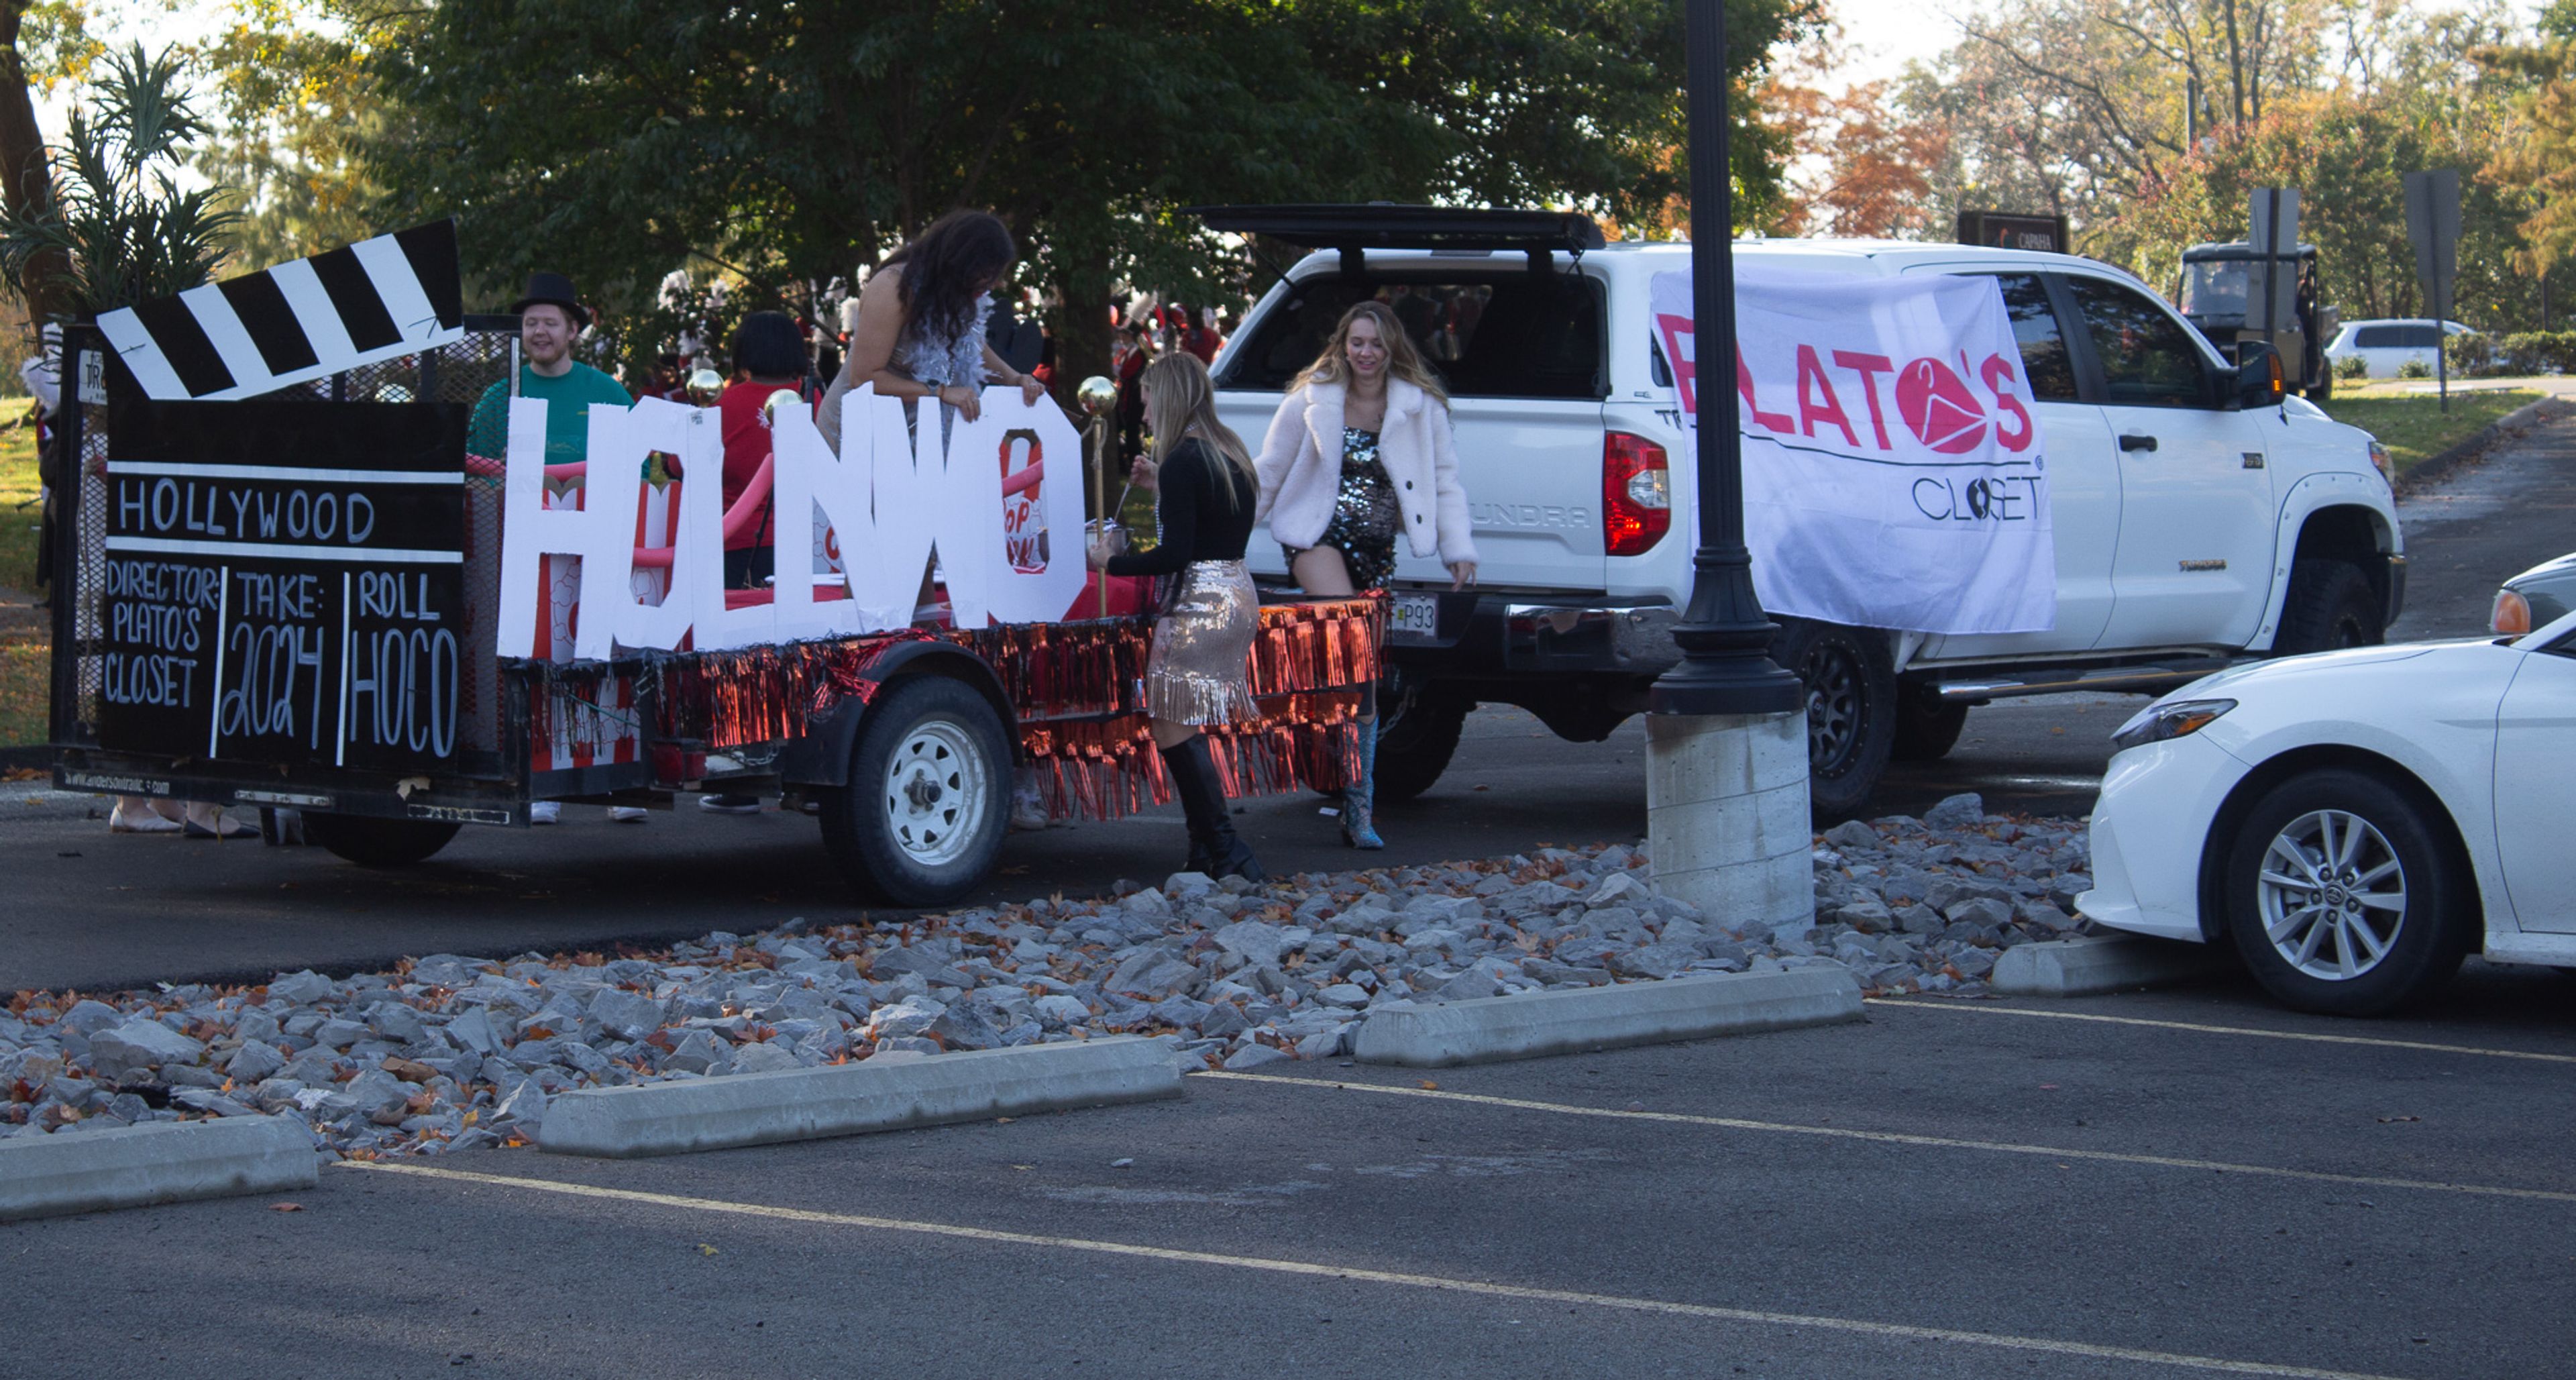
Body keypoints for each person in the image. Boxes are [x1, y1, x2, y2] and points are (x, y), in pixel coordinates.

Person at [819, 209, 1056, 829]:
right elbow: (868, 374)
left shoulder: (954, 297)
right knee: (879, 558)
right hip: (866, 427)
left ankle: (914, 660)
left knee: (921, 550)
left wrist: (1012, 377)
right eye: (984, 274)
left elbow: (966, 343)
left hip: (924, 426)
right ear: (957, 262)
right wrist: (941, 394)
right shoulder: (892, 286)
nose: (991, 287)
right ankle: (862, 673)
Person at [1252, 299, 1478, 850]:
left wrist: (1458, 548)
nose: (1366, 353)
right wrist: (1222, 534)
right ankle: (1322, 744)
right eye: (1357, 342)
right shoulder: (1311, 399)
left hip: (1377, 552)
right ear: (1343, 345)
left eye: (1376, 343)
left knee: (1365, 680)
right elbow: (1270, 471)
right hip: (1315, 538)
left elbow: (1444, 480)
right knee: (1350, 636)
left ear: (1392, 347)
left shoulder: (1419, 407)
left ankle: (1357, 803)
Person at [466, 271, 649, 826]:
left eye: (550, 322)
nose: (539, 331)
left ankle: (619, 785)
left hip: (597, 558)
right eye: (530, 323)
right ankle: (540, 779)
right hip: (523, 562)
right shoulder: (501, 396)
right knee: (534, 663)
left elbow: (643, 469)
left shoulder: (607, 393)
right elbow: (475, 472)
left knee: (606, 660)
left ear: (573, 330)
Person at [1091, 353, 1265, 881]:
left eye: (1145, 401)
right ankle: (1208, 852)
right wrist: (1159, 485)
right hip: (1233, 589)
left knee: (1172, 725)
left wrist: (1110, 562)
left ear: (1165, 399)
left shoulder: (1185, 459)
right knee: (1178, 721)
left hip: (1200, 600)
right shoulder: (1223, 450)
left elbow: (1175, 553)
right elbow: (1211, 520)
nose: (1142, 414)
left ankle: (1226, 849)